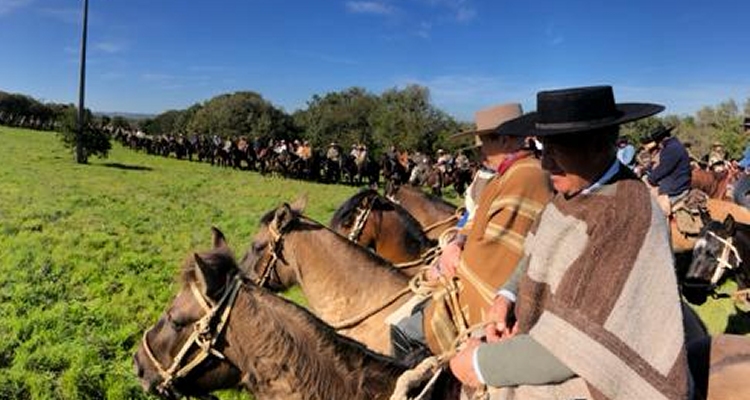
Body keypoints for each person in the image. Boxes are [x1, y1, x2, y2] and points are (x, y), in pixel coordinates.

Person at [449, 86, 689, 400]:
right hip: (540, 335)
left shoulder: (626, 215)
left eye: (557, 151)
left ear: (599, 146)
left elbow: (573, 347)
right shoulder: (567, 196)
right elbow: (534, 254)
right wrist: (506, 297)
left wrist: (478, 364)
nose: (546, 164)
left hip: (599, 369)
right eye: (543, 149)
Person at [390, 103, 553, 357]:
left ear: (507, 140)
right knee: (416, 310)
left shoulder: (525, 177)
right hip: (468, 270)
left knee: (404, 332)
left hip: (492, 298)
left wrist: (446, 273)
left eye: (485, 141)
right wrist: (456, 242)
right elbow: (476, 224)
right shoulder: (508, 173)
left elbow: (495, 252)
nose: (480, 151)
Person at [642, 126, 692, 216]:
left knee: (654, 212)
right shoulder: (674, 146)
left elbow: (663, 169)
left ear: (660, 140)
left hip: (675, 187)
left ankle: (662, 229)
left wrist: (650, 179)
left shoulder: (671, 149)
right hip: (676, 182)